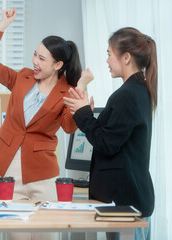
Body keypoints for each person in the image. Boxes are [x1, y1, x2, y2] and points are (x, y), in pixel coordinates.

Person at [0, 9, 92, 240]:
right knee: (15, 235)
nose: (35, 62)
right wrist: (2, 25)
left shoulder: (66, 92)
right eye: (35, 55)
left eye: (42, 58)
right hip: (10, 166)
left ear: (58, 64)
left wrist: (80, 89)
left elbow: (69, 127)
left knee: (44, 235)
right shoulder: (22, 76)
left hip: (43, 172)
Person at [63, 27, 157, 240]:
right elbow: (113, 138)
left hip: (125, 202)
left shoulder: (129, 94)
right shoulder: (135, 91)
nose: (106, 61)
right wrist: (86, 113)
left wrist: (84, 113)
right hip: (126, 199)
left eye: (109, 54)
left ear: (126, 57)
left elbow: (106, 144)